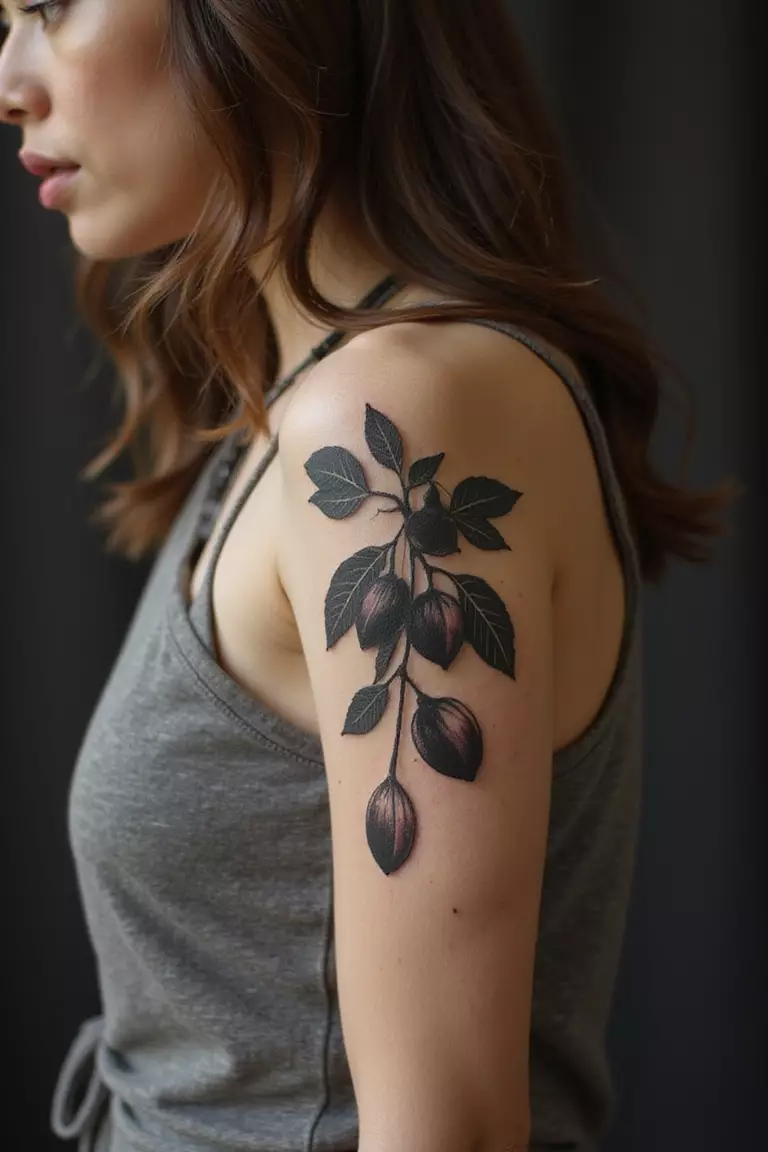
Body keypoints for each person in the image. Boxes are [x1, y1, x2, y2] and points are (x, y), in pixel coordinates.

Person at [0, 3, 735, 1151]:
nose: (11, 81)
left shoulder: (396, 411)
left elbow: (450, 1131)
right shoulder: (297, 407)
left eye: (48, 7)